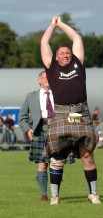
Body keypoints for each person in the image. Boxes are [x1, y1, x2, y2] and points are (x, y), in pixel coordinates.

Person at [40, 16, 100, 205]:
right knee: (57, 156)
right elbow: (44, 42)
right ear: (56, 57)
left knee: (87, 154)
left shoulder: (78, 64)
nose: (66, 55)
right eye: (62, 53)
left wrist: (62, 24)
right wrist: (52, 25)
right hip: (61, 114)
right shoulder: (51, 67)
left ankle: (93, 193)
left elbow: (77, 39)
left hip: (80, 113)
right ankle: (55, 196)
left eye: (68, 52)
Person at [18, 71, 54, 201]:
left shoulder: (59, 95)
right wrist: (28, 130)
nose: (47, 79)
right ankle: (44, 194)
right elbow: (22, 117)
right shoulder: (31, 97)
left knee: (57, 163)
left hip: (56, 130)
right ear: (39, 80)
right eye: (45, 77)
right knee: (42, 165)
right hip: (39, 131)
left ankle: (55, 195)